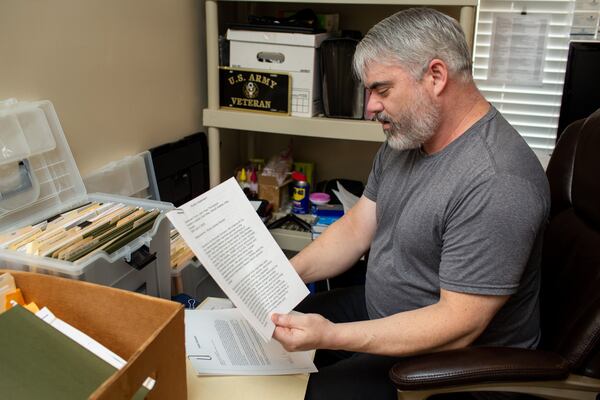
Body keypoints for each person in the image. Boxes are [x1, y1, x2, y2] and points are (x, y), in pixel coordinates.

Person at [270, 7, 551, 400]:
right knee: (269, 339)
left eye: (382, 90)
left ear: (436, 77)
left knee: (308, 392)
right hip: (383, 309)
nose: (369, 107)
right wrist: (278, 277)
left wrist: (332, 335)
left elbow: (458, 324)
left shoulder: (498, 181)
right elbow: (355, 230)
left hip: (454, 361)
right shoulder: (407, 139)